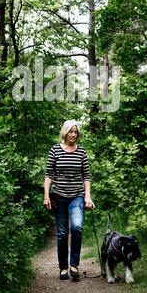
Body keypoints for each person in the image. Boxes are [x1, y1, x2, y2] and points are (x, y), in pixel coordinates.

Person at [43, 119, 94, 280]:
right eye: (71, 131)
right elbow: (48, 175)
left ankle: (74, 265)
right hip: (58, 197)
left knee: (77, 227)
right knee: (62, 233)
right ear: (65, 132)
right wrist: (46, 196)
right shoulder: (55, 150)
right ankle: (63, 267)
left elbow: (86, 176)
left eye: (76, 132)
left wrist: (87, 196)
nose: (73, 134)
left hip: (77, 197)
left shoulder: (81, 152)